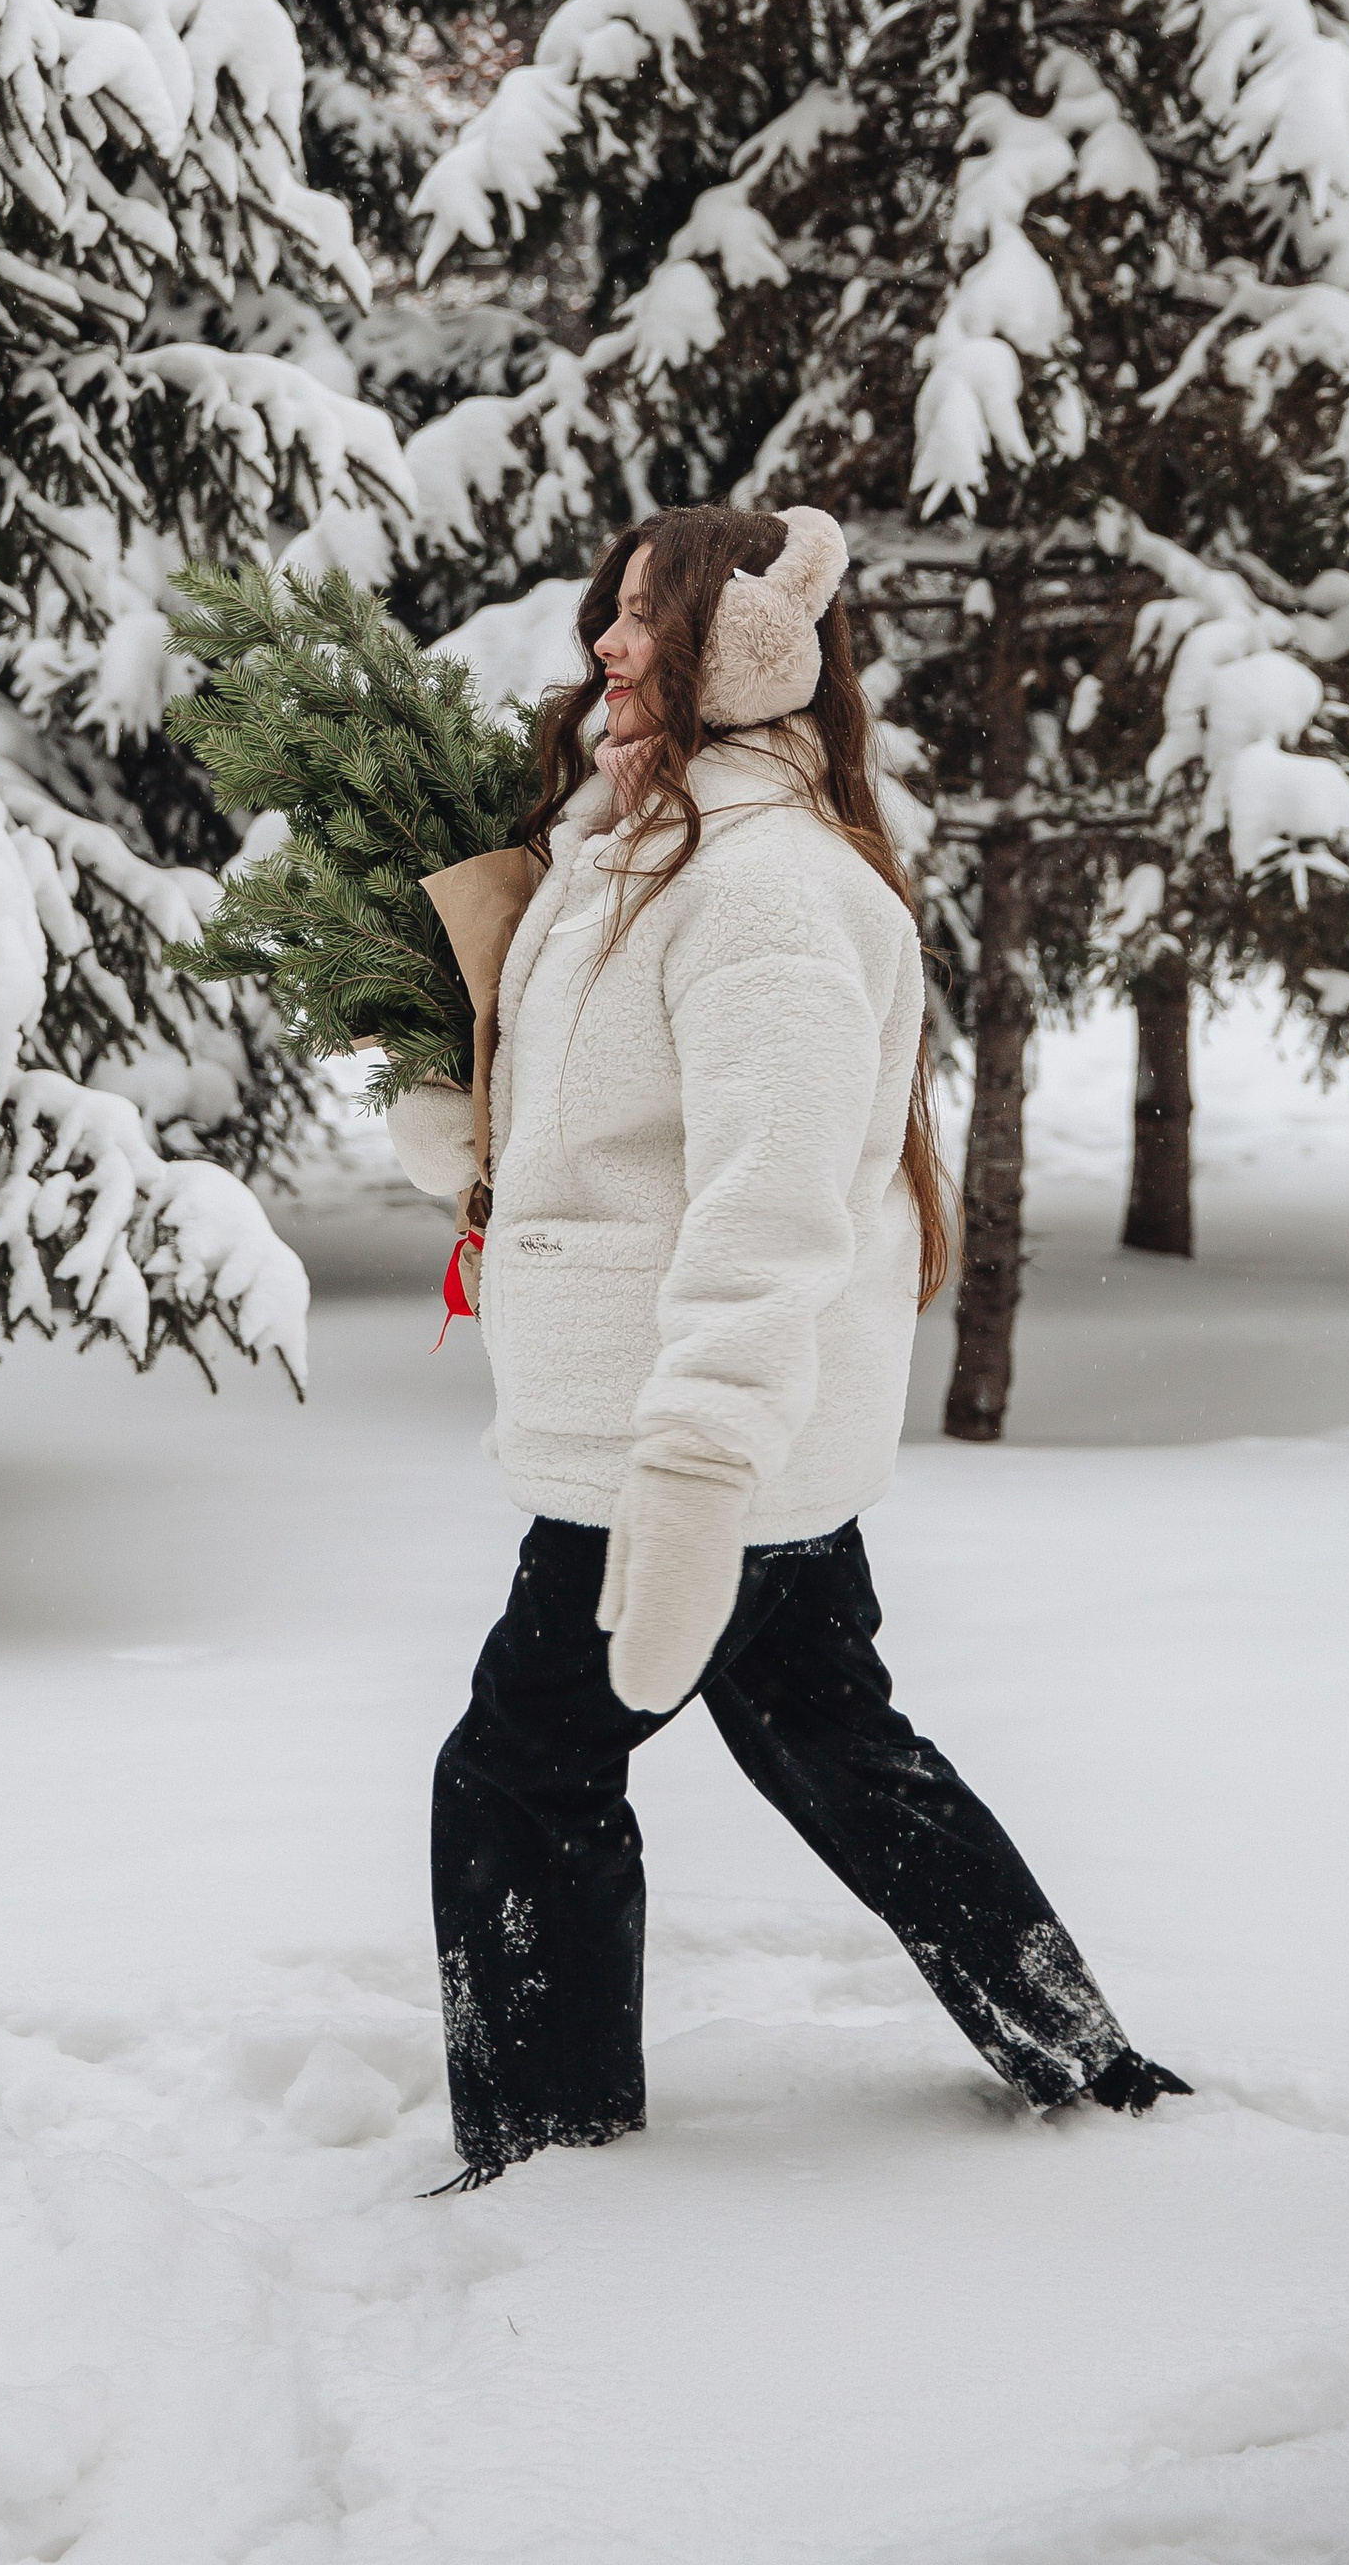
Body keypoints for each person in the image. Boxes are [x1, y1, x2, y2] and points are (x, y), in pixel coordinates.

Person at [389, 503, 1187, 2190]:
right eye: (604, 616)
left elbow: (770, 1198)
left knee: (521, 1772)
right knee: (838, 1742)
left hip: (679, 1433)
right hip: (725, 1425)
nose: (604, 645)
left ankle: (545, 2152)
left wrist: (693, 1455)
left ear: (743, 652)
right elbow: (641, 1126)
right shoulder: (633, 851)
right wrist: (476, 1117)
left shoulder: (764, 889)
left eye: (643, 622)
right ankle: (1076, 2048)